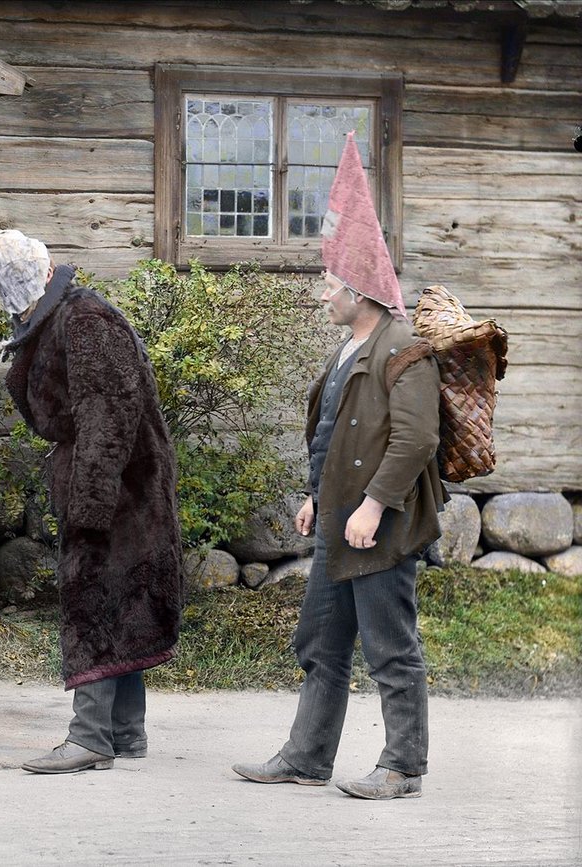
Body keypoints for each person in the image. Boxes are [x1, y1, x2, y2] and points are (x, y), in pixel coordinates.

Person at [0, 197, 183, 773]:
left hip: (119, 488)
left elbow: (108, 414)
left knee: (95, 592)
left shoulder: (87, 320)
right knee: (121, 593)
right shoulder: (60, 319)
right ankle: (125, 730)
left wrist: (90, 506)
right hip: (113, 482)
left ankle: (90, 736)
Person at [232, 132, 444, 800]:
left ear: (357, 287)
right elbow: (332, 432)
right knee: (321, 641)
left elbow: (415, 440)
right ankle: (306, 756)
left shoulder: (402, 347)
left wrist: (373, 505)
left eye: (330, 283)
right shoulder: (348, 349)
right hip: (338, 524)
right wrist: (316, 497)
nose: (323, 295)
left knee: (391, 647)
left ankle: (403, 765)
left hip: (378, 527)